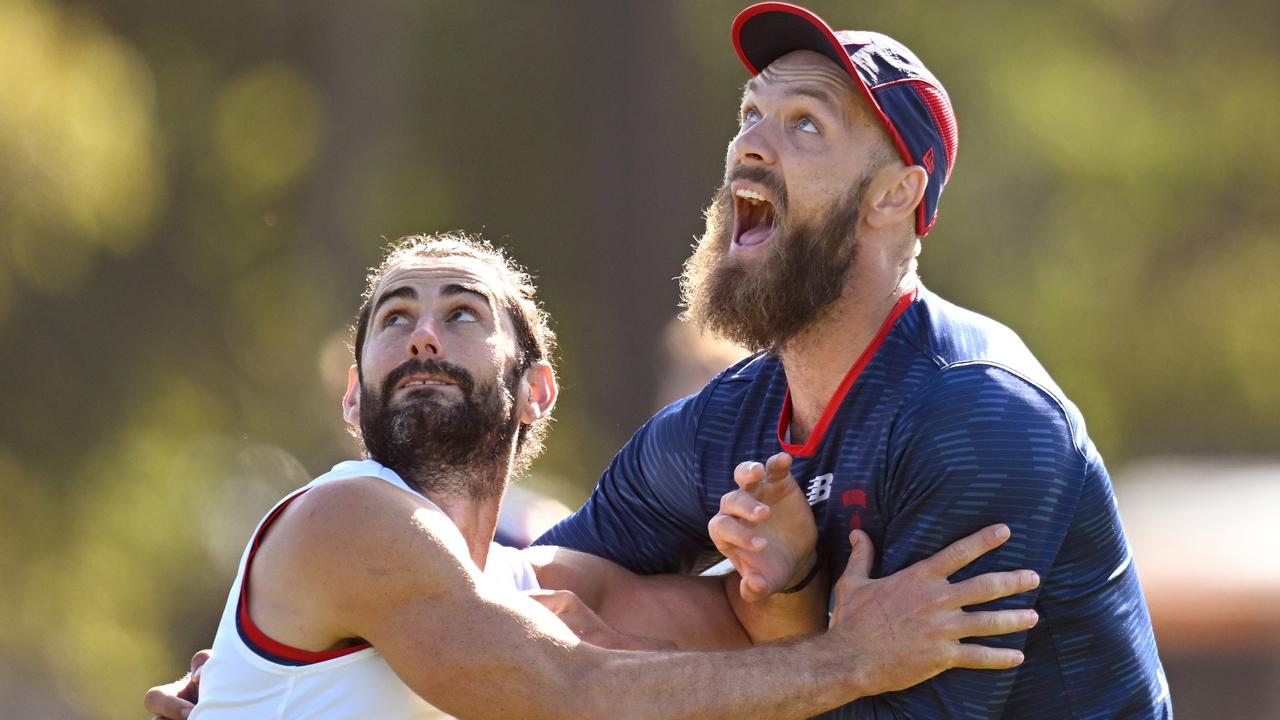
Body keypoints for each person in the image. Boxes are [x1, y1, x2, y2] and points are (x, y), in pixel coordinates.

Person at [535, 3, 1172, 718]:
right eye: (750, 113)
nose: (751, 143)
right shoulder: (724, 422)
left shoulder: (981, 412)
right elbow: (539, 589)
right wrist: (395, 568)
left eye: (805, 123)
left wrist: (636, 675)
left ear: (896, 193)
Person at [146, 232, 1039, 719]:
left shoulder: (545, 588)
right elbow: (562, 690)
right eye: (394, 319)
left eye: (462, 314)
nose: (423, 334)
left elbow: (751, 652)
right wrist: (858, 660)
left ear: (537, 392)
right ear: (354, 399)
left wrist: (789, 575)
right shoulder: (345, 516)